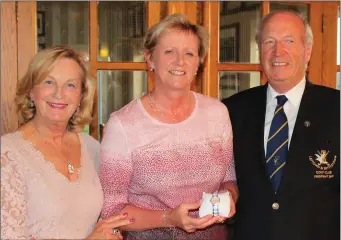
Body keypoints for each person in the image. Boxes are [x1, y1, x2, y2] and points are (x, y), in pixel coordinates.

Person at [100, 14, 238, 239]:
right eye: (169, 52)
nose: (180, 61)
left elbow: (229, 179)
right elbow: (112, 211)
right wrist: (168, 218)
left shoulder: (217, 113)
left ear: (199, 62)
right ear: (150, 59)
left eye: (189, 53)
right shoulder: (123, 125)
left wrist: (229, 197)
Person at [222, 11, 340, 240]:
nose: (278, 52)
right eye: (269, 42)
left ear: (307, 51)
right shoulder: (232, 110)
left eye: (289, 41)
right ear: (260, 51)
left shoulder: (338, 108)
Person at [1, 46, 134, 239]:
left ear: (81, 95)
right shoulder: (7, 155)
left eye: (70, 85)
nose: (59, 94)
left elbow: (104, 218)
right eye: (49, 82)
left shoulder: (92, 148)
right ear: (31, 91)